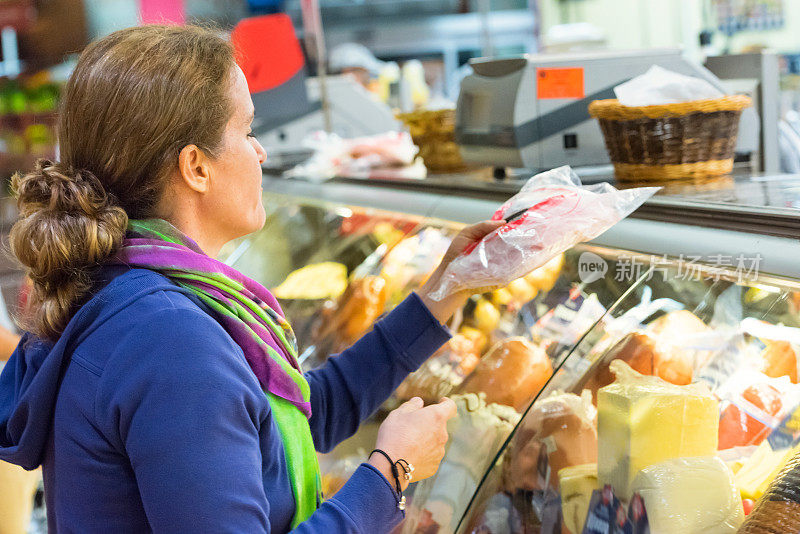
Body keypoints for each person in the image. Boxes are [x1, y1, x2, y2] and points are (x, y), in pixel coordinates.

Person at [0, 25, 504, 533]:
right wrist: (390, 473)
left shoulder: (133, 288)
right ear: (196, 167)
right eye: (248, 130)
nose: (261, 153)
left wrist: (446, 288)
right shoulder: (169, 339)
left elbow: (294, 421)